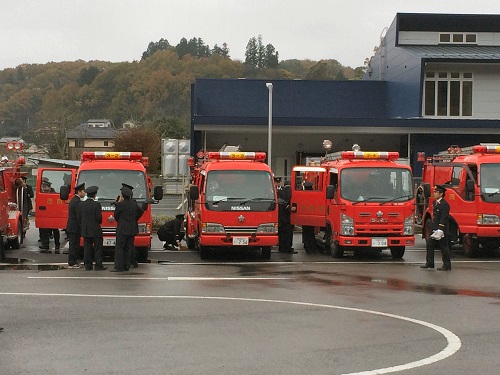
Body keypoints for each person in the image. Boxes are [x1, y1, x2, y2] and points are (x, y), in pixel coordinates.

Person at [111, 184, 144, 272]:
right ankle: (127, 265)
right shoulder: (134, 204)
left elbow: (116, 216)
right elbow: (141, 211)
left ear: (122, 195)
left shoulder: (120, 205)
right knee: (128, 248)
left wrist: (121, 221)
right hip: (132, 229)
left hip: (122, 229)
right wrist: (135, 219)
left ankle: (119, 266)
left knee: (120, 248)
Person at [421, 185, 452, 271]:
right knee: (430, 244)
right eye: (434, 192)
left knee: (444, 247)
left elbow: (444, 217)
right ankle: (430, 263)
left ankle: (447, 265)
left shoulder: (445, 204)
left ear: (441, 194)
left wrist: (440, 229)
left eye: (436, 192)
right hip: (435, 228)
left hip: (442, 229)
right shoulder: (435, 203)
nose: (434, 193)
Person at [77, 186, 107, 271]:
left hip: (86, 229)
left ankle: (88, 265)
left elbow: (79, 217)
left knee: (87, 248)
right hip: (96, 229)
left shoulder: (81, 204)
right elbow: (99, 218)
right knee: (98, 248)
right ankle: (98, 265)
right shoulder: (97, 204)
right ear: (95, 195)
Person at [66, 183, 86, 268]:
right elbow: (79, 215)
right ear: (79, 192)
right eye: (83, 191)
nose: (85, 193)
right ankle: (72, 262)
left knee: (74, 245)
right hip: (74, 227)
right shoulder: (77, 202)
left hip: (72, 227)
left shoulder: (74, 200)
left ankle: (74, 261)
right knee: (74, 245)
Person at [38, 179, 61, 251]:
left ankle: (57, 243)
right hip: (45, 214)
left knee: (55, 229)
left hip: (53, 214)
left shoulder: (54, 193)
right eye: (43, 187)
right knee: (44, 229)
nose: (44, 188)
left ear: (49, 187)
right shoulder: (41, 193)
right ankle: (45, 244)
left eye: (45, 186)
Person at [278, 180, 296, 253]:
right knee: (288, 233)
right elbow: (285, 202)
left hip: (281, 217)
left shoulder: (280, 191)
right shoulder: (288, 190)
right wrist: (289, 208)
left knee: (282, 233)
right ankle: (287, 248)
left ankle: (282, 248)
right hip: (286, 217)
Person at [301, 181, 317, 254]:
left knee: (305, 232)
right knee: (311, 232)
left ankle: (307, 246)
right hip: (312, 216)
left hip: (304, 217)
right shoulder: (315, 194)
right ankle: (312, 247)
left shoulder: (302, 194)